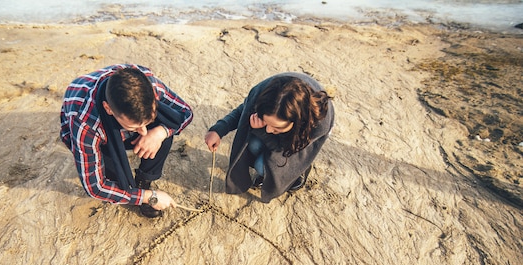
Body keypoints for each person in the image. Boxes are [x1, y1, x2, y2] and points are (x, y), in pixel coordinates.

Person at [60, 64, 193, 218]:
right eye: (135, 126)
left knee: (165, 129)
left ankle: (144, 181)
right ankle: (138, 192)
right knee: (114, 182)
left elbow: (185, 112)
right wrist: (150, 196)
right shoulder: (85, 124)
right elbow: (95, 187)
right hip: (102, 131)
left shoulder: (150, 84)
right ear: (108, 109)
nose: (144, 132)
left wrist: (159, 133)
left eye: (146, 123)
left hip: (116, 117)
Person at [204, 73, 334, 203]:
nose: (269, 130)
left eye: (277, 128)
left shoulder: (317, 124)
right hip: (282, 129)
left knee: (261, 166)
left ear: (297, 121)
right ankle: (270, 160)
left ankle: (300, 172)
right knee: (254, 145)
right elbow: (243, 110)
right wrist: (218, 130)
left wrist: (260, 130)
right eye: (266, 122)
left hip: (299, 139)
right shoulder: (262, 93)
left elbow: (289, 150)